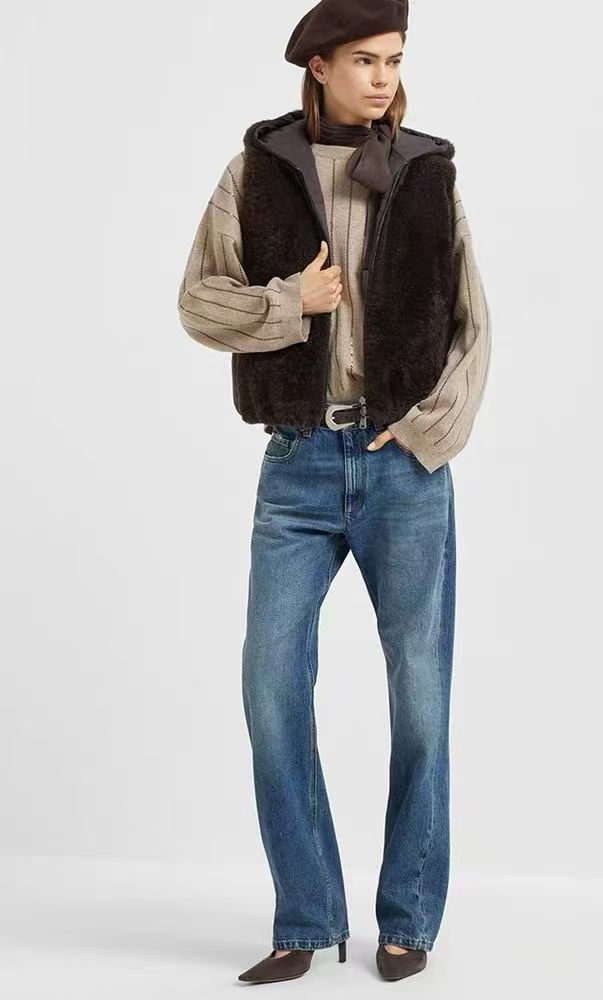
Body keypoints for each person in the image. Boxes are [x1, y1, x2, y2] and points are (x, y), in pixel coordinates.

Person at [177, 0, 491, 984]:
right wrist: (289, 303)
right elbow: (198, 301)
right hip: (298, 464)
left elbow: (474, 326)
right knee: (270, 687)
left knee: (421, 701)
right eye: (364, 60)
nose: (384, 77)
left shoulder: (428, 171)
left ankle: (408, 918)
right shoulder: (258, 171)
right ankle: (306, 916)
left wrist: (425, 432)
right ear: (318, 65)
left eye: (394, 59)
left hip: (405, 472)